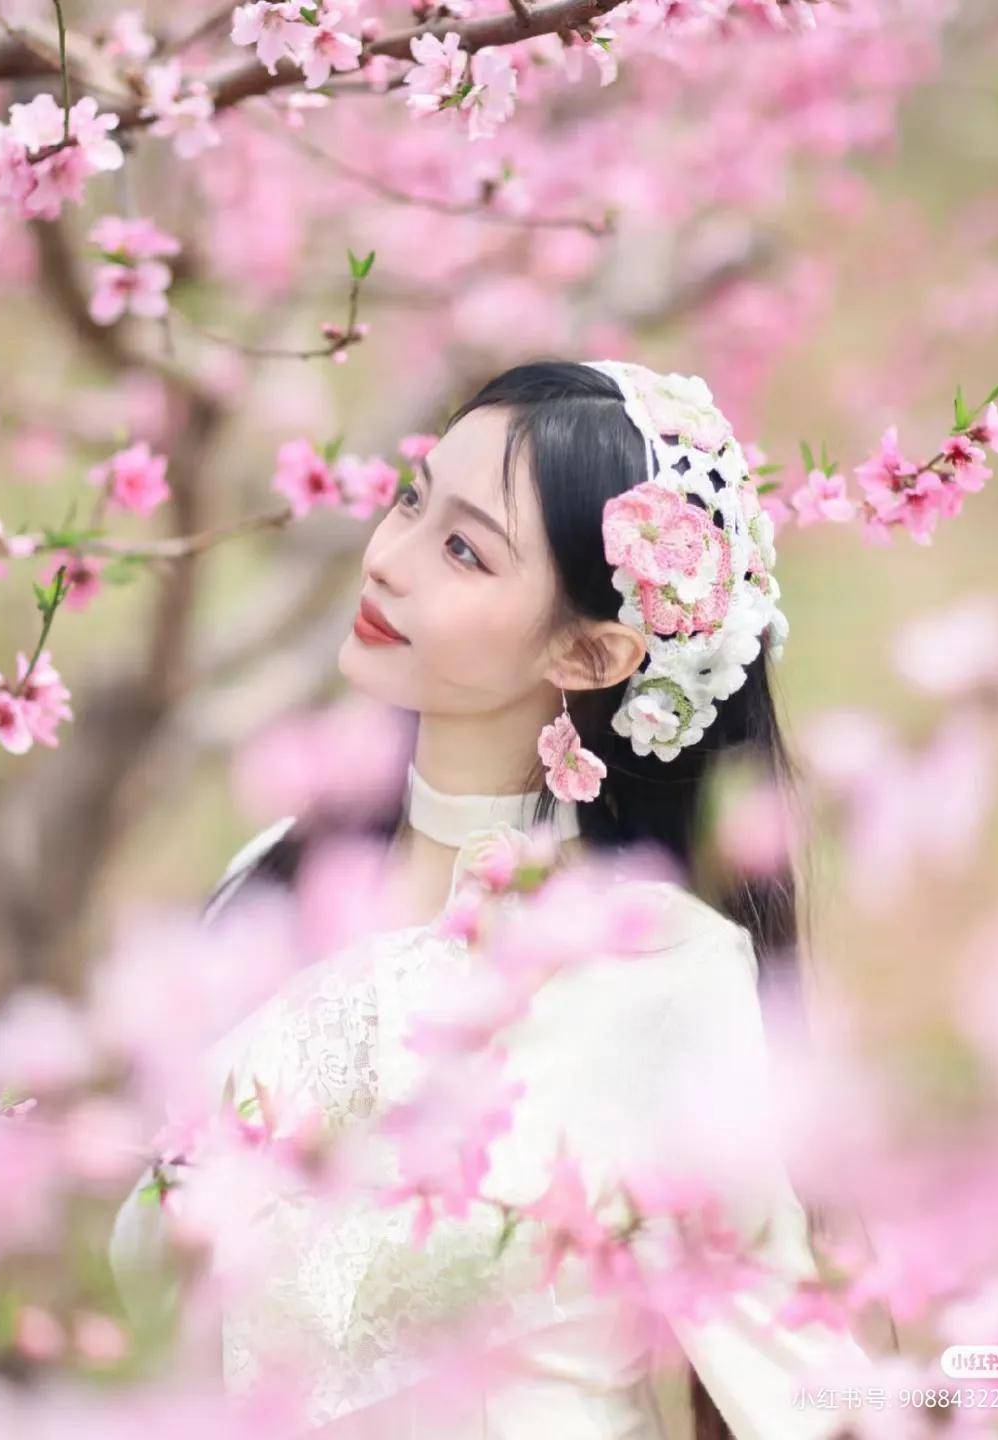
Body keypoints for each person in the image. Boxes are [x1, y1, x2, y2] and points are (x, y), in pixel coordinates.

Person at [111, 359, 874, 1438]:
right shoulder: (283, 874)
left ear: (591, 648)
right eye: (415, 499)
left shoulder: (650, 964)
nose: (388, 559)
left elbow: (802, 1380)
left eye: (465, 549)